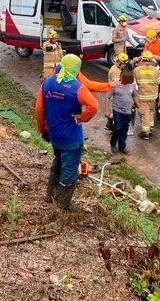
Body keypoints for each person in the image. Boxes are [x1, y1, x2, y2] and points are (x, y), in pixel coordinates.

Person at [36, 54, 98, 211]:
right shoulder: (78, 88)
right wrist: (82, 117)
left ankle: (50, 195)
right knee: (69, 170)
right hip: (71, 138)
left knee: (58, 160)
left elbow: (39, 109)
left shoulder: (48, 83)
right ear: (77, 69)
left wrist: (43, 131)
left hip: (54, 135)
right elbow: (94, 106)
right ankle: (63, 205)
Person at [105, 70, 139, 155]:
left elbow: (135, 96)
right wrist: (107, 110)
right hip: (117, 111)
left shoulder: (131, 85)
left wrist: (139, 106)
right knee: (118, 128)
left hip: (128, 112)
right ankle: (113, 143)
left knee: (124, 130)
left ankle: (122, 147)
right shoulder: (115, 85)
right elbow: (108, 97)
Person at [133, 51, 160, 140]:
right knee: (151, 111)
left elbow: (132, 84)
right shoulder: (156, 70)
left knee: (144, 114)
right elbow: (159, 82)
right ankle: (150, 128)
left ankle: (145, 133)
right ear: (151, 59)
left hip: (143, 96)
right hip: (153, 96)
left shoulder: (136, 70)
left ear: (142, 59)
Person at [105, 52, 130, 131]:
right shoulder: (115, 71)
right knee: (117, 110)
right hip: (115, 94)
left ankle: (110, 124)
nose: (125, 65)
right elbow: (118, 83)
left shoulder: (118, 68)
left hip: (116, 92)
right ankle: (113, 126)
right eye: (124, 63)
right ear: (120, 62)